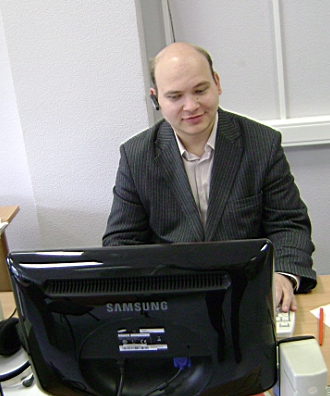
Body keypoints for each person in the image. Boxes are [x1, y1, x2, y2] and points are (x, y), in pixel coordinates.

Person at [103, 42, 317, 312]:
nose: (191, 106)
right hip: (174, 298)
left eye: (200, 90)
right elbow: (121, 243)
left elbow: (289, 225)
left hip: (250, 294)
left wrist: (283, 275)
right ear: (156, 98)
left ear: (217, 83)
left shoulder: (262, 144)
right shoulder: (137, 156)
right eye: (175, 96)